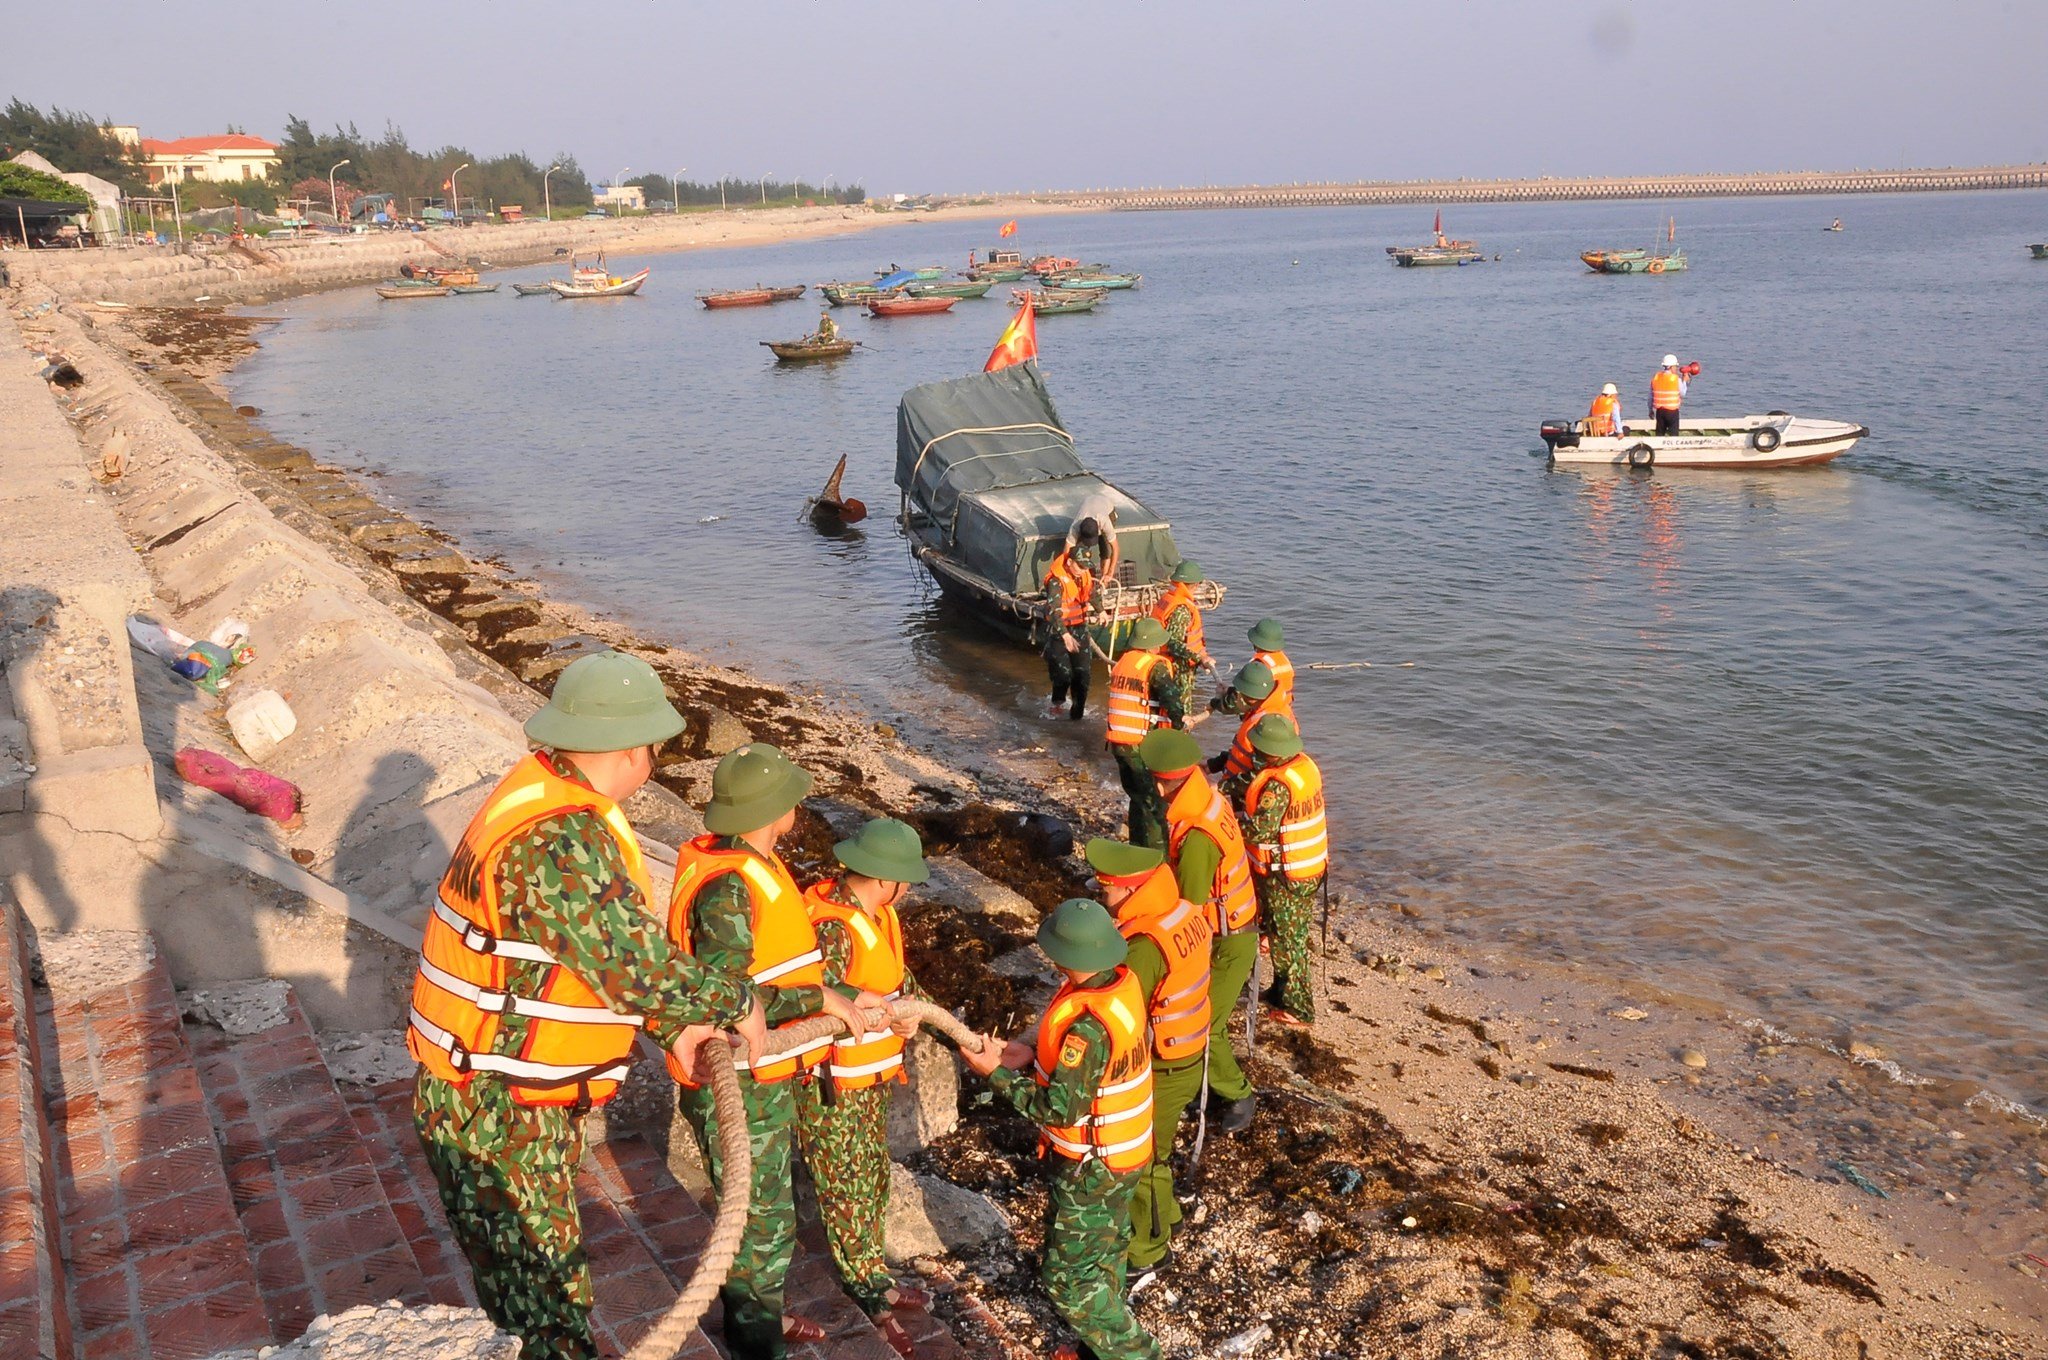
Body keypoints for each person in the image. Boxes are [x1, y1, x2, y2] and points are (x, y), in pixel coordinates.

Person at [408, 651, 769, 1360]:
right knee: (547, 1309)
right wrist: (732, 1000)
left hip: (493, 1096)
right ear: (636, 750)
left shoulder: (543, 798)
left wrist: (676, 1021)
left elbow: (581, 953)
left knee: (534, 1291)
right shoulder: (561, 838)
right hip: (499, 1110)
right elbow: (632, 965)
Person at [666, 743, 890, 1360]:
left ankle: (757, 1315)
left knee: (765, 1215)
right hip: (741, 1079)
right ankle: (757, 1340)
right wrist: (821, 996)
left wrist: (838, 993)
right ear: (778, 810)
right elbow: (726, 990)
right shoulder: (731, 888)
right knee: (760, 1221)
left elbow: (769, 971)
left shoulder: (743, 863)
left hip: (764, 1070)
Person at [961, 900, 1162, 1360]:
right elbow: (1094, 1075)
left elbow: (1059, 1109)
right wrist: (1029, 1054)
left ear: (1067, 959)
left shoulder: (1087, 1030)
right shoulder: (1121, 987)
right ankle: (1098, 1352)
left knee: (1067, 1282)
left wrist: (994, 1072)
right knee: (1104, 1254)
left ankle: (1137, 1353)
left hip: (1091, 1168)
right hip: (1124, 1157)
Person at [794, 818, 938, 1358]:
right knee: (847, 1189)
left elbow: (900, 985)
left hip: (869, 1079)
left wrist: (919, 1016)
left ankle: (873, 1272)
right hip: (833, 1084)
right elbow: (818, 988)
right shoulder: (834, 926)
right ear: (886, 879)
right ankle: (867, 1293)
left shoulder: (878, 914)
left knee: (873, 1176)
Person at [1084, 838, 1212, 1279]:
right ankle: (1169, 1214)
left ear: (1129, 890)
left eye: (1107, 889)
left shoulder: (1144, 946)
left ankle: (1149, 1247)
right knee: (1160, 1145)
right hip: (1191, 1051)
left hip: (1163, 1062)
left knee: (1144, 1157)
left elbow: (1123, 1012)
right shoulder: (1180, 912)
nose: (1103, 896)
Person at [1136, 728, 1259, 1134]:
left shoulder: (1195, 838)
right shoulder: (1208, 799)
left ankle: (1238, 1092)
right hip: (1237, 925)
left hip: (1229, 939)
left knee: (1206, 1023)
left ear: (1159, 781)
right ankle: (1205, 1084)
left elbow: (1188, 908)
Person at [1237, 714, 1329, 1030]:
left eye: (1259, 750)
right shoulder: (1305, 768)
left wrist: (1229, 825)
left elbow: (1259, 830)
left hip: (1286, 876)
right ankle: (1280, 992)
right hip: (1308, 869)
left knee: (1290, 941)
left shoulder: (1277, 786)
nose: (1255, 754)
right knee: (1281, 935)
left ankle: (1301, 1011)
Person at [1104, 618, 1183, 848]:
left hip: (1117, 742)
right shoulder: (1155, 666)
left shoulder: (1123, 662)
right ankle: (1158, 857)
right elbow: (1172, 700)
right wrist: (1180, 724)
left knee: (1137, 797)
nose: (1160, 648)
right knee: (1154, 802)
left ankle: (1137, 846)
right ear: (1151, 645)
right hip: (1139, 745)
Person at [1041, 519, 1105, 720]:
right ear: (1069, 563)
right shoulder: (1056, 582)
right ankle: (1057, 703)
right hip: (1060, 632)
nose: (1083, 570)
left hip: (1079, 628)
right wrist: (1065, 635)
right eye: (1079, 566)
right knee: (1063, 675)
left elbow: (1092, 594)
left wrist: (1101, 610)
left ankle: (1077, 713)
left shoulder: (1084, 575)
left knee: (1083, 675)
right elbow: (1052, 611)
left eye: (1085, 566)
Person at [1207, 660, 1293, 782]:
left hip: (1246, 792)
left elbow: (1259, 774)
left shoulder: (1268, 725)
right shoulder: (1268, 707)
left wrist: (1222, 788)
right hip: (1238, 781)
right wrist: (1215, 765)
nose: (1238, 698)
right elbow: (1247, 753)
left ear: (1251, 697)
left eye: (1241, 694)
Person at [1151, 561, 1211, 721]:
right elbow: (1173, 643)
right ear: (1195, 585)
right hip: (1177, 668)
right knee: (1181, 712)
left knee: (1160, 709)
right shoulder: (1181, 609)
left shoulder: (1167, 599)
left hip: (1159, 661)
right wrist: (1200, 658)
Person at [1245, 618, 1294, 705]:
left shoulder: (1259, 665)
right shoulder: (1282, 659)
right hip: (1284, 710)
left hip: (1265, 711)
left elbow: (1246, 698)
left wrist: (1219, 701)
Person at [1650, 354, 1688, 436]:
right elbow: (1683, 393)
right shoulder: (1676, 379)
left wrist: (1650, 410)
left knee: (1659, 434)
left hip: (1659, 412)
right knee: (1674, 435)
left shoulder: (1656, 377)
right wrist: (1684, 381)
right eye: (1675, 367)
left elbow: (1650, 396)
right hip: (1672, 412)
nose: (1676, 369)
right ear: (1671, 367)